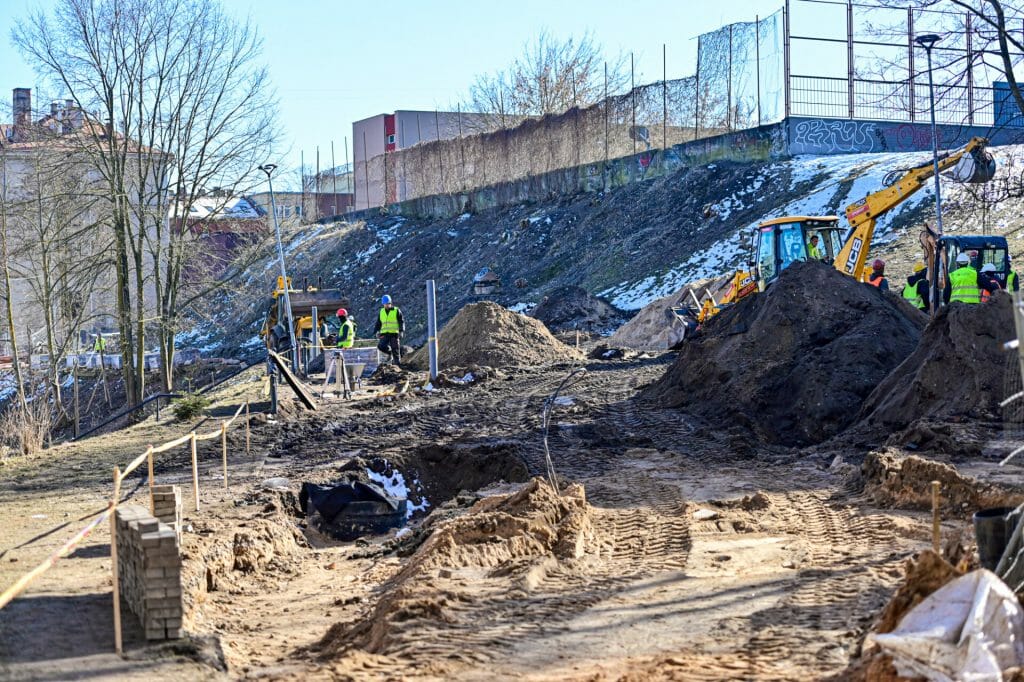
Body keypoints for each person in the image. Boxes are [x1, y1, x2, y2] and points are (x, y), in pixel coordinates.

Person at [374, 295, 404, 365]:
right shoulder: (381, 311)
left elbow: (401, 321)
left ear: (390, 303)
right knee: (381, 346)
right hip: (385, 334)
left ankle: (398, 366)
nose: (386, 305)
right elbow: (378, 322)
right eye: (385, 304)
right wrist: (377, 331)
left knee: (396, 350)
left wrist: (401, 331)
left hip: (394, 334)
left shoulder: (396, 310)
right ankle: (390, 352)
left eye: (387, 304)